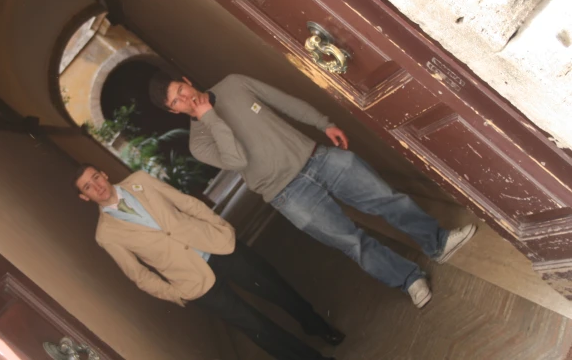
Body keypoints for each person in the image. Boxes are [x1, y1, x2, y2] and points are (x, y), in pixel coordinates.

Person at [148, 72, 477, 309]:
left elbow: (285, 102)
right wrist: (209, 117)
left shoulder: (233, 83)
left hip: (318, 158)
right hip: (287, 194)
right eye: (176, 101)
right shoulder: (199, 142)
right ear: (174, 111)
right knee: (352, 242)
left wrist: (324, 122)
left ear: (187, 80)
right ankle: (408, 279)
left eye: (181, 89)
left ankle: (437, 242)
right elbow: (236, 158)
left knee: (387, 199)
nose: (185, 99)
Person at [74, 164, 344, 360]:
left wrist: (221, 226)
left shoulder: (141, 180)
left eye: (95, 176)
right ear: (84, 197)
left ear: (104, 174)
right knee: (256, 327)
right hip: (193, 283)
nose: (97, 185)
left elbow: (187, 203)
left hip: (217, 247)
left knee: (276, 288)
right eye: (88, 186)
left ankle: (317, 326)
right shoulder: (106, 235)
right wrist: (175, 294)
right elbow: (138, 275)